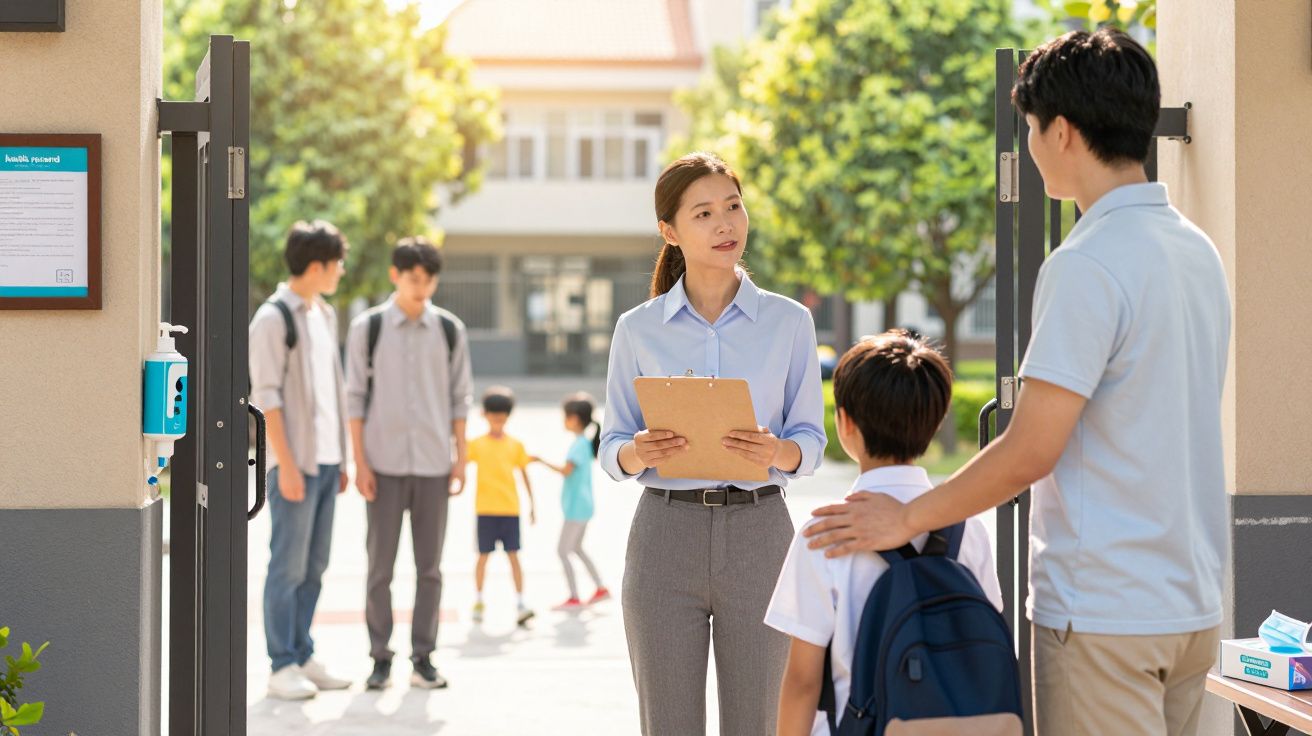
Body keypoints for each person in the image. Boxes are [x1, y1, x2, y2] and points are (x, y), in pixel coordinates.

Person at [803, 29, 1231, 736]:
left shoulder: (1086, 262)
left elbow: (1032, 449)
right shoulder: (1196, 249)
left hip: (1104, 614)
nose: (1029, 148)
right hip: (1194, 606)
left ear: (1061, 132)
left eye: (1031, 129)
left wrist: (909, 516)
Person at [599, 151, 827, 735]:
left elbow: (812, 441)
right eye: (703, 213)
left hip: (760, 536)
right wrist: (638, 452)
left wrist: (777, 452)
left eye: (733, 207)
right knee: (668, 725)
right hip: (663, 539)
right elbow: (611, 447)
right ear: (669, 231)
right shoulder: (638, 328)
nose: (725, 224)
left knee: (757, 724)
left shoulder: (789, 322)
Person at [766, 331, 1003, 736]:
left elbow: (804, 680)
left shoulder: (824, 532)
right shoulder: (969, 530)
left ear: (845, 423)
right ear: (936, 419)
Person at [345, 237, 473, 691]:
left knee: (430, 569)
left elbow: (460, 399)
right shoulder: (369, 328)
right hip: (382, 465)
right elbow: (354, 399)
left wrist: (461, 459)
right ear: (395, 276)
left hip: (435, 465)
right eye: (414, 278)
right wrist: (359, 463)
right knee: (379, 568)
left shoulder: (450, 330)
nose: (422, 287)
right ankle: (380, 658)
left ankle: (424, 657)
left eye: (429, 279)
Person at [248, 220, 354, 700]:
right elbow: (267, 399)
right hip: (294, 464)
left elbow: (335, 391)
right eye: (338, 263)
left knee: (315, 565)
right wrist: (285, 466)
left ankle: (303, 652)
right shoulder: (274, 319)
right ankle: (281, 664)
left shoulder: (324, 314)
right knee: (286, 566)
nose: (342, 271)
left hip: (328, 460)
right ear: (317, 266)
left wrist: (345, 458)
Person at [531, 392, 610, 611]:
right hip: (582, 506)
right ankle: (600, 588)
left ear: (574, 418)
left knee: (562, 550)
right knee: (576, 548)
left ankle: (574, 596)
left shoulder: (578, 445)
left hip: (577, 508)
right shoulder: (583, 444)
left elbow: (566, 471)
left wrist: (539, 460)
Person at [467, 386, 536, 627]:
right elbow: (460, 463)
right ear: (484, 415)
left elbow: (524, 473)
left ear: (507, 417)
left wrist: (532, 505)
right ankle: (478, 600)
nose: (497, 421)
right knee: (482, 558)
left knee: (514, 557)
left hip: (510, 510)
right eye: (492, 416)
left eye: (501, 417)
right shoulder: (476, 444)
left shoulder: (515, 445)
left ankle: (520, 603)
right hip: (485, 511)